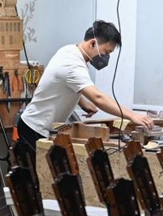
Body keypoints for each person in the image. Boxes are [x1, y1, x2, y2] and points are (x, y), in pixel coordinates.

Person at [16, 20, 153, 148]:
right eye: (106, 52)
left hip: (40, 127)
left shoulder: (69, 50)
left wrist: (82, 102)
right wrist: (132, 116)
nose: (106, 57)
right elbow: (98, 97)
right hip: (35, 128)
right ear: (92, 43)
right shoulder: (74, 65)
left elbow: (65, 82)